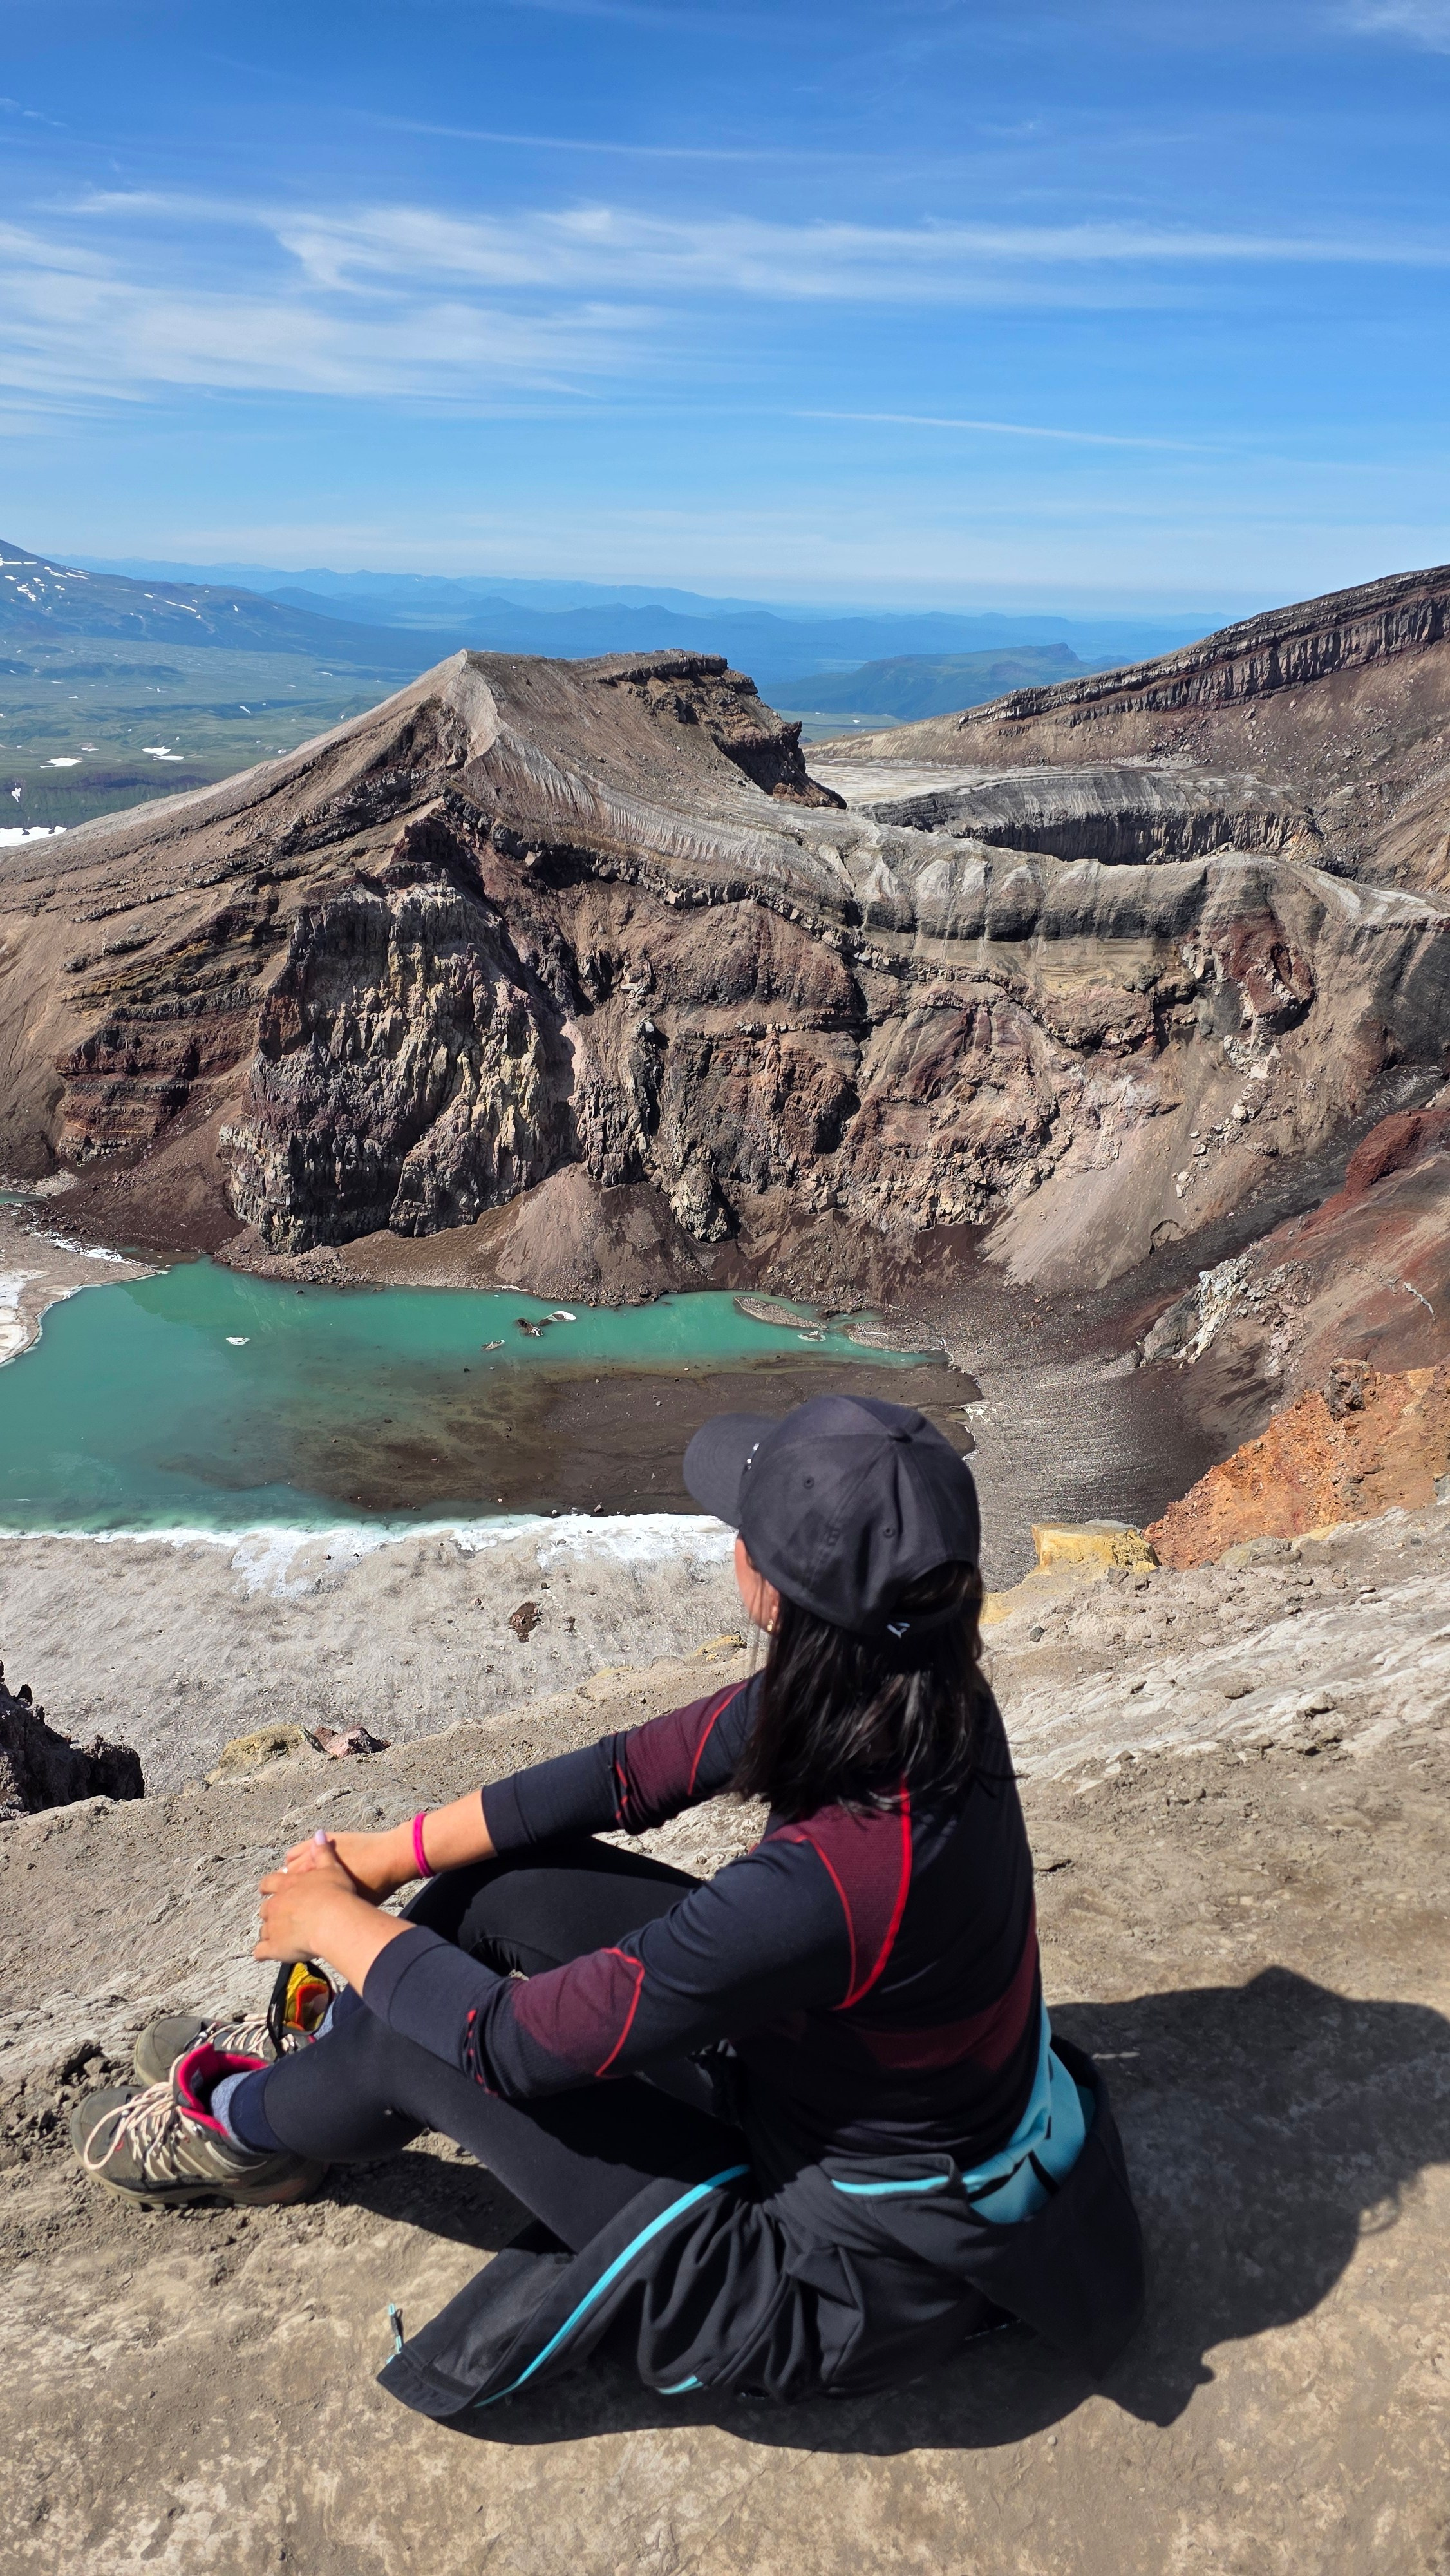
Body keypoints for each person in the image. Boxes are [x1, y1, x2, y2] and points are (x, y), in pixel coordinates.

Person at [71, 1394, 1144, 2411]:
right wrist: (387, 1855)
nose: (730, 1539)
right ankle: (326, 2080)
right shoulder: (906, 1692)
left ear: (772, 1589)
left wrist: (335, 1926)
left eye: (743, 1529)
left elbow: (515, 2046)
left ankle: (238, 2128)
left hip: (831, 2273)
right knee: (495, 1890)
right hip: (837, 2106)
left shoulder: (836, 1878)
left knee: (417, 2041)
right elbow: (629, 1773)